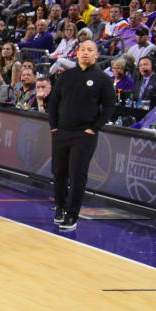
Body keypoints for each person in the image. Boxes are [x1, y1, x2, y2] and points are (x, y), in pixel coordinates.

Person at [47, 39, 115, 230]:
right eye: (82, 49)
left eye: (90, 50)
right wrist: (54, 126)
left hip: (84, 135)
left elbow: (109, 106)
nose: (85, 53)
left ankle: (72, 214)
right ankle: (60, 207)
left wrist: (94, 128)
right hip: (61, 132)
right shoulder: (66, 76)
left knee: (77, 175)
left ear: (96, 55)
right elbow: (53, 102)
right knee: (59, 172)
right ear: (76, 53)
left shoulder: (102, 78)